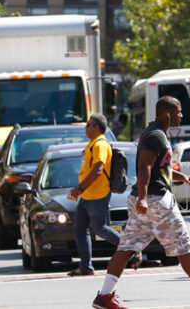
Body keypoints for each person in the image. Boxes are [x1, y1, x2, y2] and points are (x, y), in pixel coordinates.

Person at [91, 96, 190, 309]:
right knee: (183, 245)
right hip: (155, 201)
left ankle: (104, 295)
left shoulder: (157, 134)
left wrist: (182, 177)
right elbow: (145, 168)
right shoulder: (155, 136)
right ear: (167, 113)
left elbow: (160, 169)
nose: (181, 115)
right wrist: (143, 197)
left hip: (147, 201)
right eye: (179, 111)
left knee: (126, 248)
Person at [68, 114, 119, 277]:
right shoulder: (93, 144)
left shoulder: (100, 144)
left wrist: (80, 188)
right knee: (79, 228)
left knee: (100, 228)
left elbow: (98, 169)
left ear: (96, 127)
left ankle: (130, 247)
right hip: (87, 195)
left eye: (88, 125)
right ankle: (86, 267)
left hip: (97, 194)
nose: (86, 128)